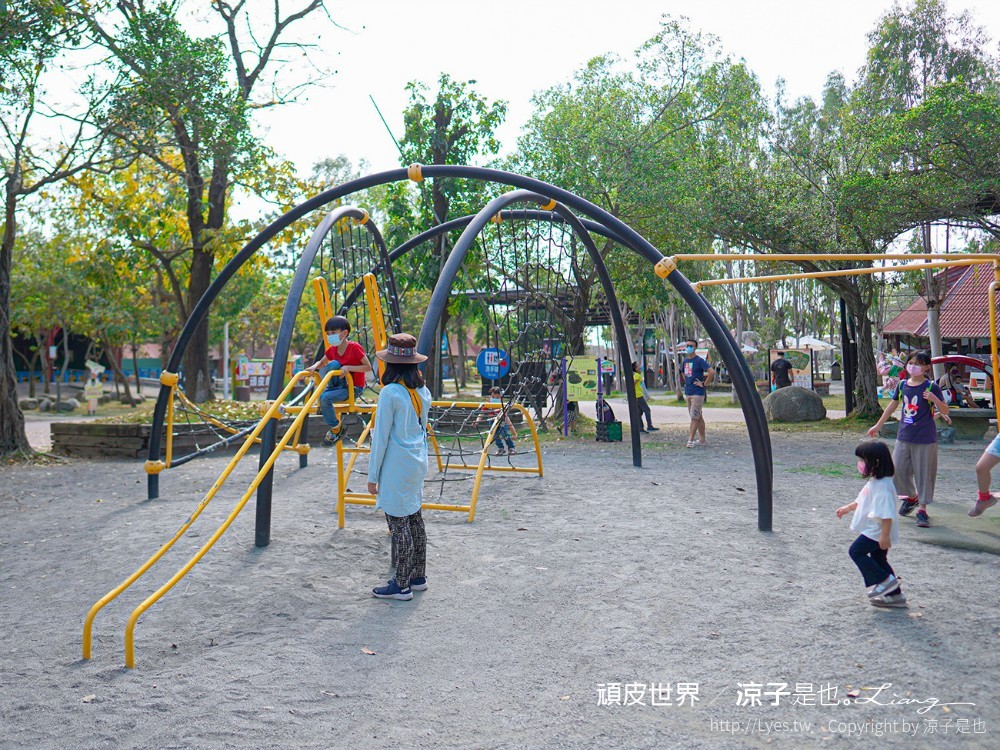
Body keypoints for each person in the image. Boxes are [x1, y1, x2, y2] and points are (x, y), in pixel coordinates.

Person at [366, 333, 432, 601]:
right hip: (417, 460)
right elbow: (422, 427)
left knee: (397, 522)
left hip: (396, 464)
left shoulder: (390, 392)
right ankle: (418, 576)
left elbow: (380, 437)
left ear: (390, 363)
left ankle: (401, 584)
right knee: (414, 517)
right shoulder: (422, 391)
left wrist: (372, 476)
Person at [868, 351, 952, 528]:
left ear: (927, 367)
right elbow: (892, 406)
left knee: (924, 474)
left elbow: (945, 411)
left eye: (918, 363)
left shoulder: (931, 387)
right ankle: (911, 497)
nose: (913, 366)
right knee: (896, 470)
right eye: (911, 362)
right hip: (904, 435)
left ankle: (922, 509)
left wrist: (934, 399)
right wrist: (878, 425)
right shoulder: (902, 385)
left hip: (925, 438)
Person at [835, 440, 906, 608]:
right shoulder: (876, 481)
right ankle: (895, 596)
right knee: (878, 557)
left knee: (856, 551)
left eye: (863, 460)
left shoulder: (883, 486)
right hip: (876, 530)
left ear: (876, 462)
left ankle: (885, 581)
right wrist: (848, 508)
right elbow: (863, 500)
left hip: (877, 530)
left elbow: (887, 513)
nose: (860, 464)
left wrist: (885, 535)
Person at [304, 315, 372, 446]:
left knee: (325, 398)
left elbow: (368, 367)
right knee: (333, 364)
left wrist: (348, 368)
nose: (330, 336)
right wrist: (313, 367)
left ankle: (336, 429)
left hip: (353, 388)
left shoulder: (354, 348)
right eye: (328, 333)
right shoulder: (333, 350)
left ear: (344, 333)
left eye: (333, 333)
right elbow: (322, 362)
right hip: (338, 385)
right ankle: (330, 401)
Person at [681, 339, 714, 448]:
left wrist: (704, 384)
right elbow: (683, 373)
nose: (688, 347)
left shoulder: (699, 360)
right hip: (688, 392)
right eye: (687, 345)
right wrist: (687, 383)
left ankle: (690, 440)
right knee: (698, 416)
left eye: (691, 346)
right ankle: (702, 439)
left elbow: (711, 372)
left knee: (694, 416)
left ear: (695, 348)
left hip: (697, 393)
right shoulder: (685, 361)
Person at [476, 386, 517, 456]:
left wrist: (514, 433)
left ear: (501, 399)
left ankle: (511, 448)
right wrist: (477, 421)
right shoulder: (488, 405)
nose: (495, 399)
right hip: (492, 422)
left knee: (505, 434)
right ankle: (501, 448)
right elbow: (481, 414)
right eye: (493, 397)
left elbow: (507, 420)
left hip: (502, 422)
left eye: (497, 398)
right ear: (490, 397)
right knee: (494, 436)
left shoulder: (502, 407)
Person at [632, 362, 658, 433]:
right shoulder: (637, 375)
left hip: (636, 396)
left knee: (639, 412)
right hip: (638, 396)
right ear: (635, 368)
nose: (640, 368)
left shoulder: (636, 375)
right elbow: (633, 383)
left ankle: (640, 428)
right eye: (638, 367)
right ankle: (649, 426)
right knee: (647, 410)